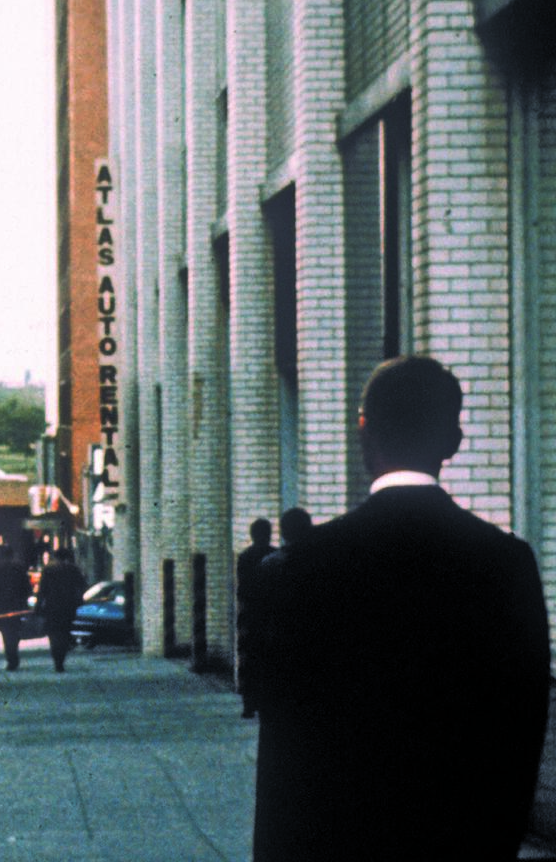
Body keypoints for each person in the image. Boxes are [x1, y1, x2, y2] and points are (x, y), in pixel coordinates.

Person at [253, 356, 550, 862]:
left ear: (363, 435)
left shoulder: (300, 568)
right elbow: (523, 733)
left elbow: (286, 755)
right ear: (453, 442)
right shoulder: (507, 563)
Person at [235, 517, 275, 717]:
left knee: (249, 661)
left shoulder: (245, 557)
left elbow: (242, 589)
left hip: (251, 616)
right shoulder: (277, 555)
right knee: (270, 661)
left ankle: (249, 704)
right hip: (272, 617)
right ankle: (269, 701)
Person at [36, 547, 88, 672]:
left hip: (52, 606)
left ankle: (57, 659)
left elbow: (42, 589)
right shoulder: (73, 569)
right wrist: (79, 600)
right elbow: (82, 585)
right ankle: (61, 658)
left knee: (53, 633)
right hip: (68, 606)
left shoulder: (48, 569)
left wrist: (38, 605)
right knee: (65, 632)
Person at [0, 545, 31, 670]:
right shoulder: (19, 567)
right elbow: (26, 586)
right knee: (15, 630)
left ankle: (11, 657)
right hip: (17, 604)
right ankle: (13, 652)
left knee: (6, 631)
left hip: (1, 604)